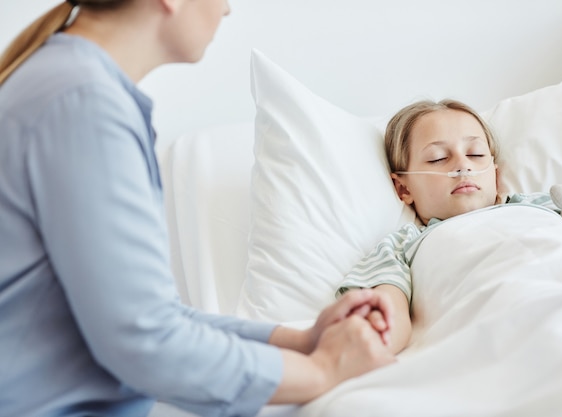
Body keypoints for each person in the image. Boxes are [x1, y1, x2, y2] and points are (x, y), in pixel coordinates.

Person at [0, 1, 396, 416]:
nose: (227, 9)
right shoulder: (84, 104)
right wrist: (323, 370)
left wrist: (298, 341)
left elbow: (151, 319)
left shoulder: (71, 85)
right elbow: (146, 343)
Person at [336, 99, 562, 355]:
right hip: (512, 322)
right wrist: (377, 331)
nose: (463, 166)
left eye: (475, 154)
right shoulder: (401, 246)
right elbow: (388, 314)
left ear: (496, 176)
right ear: (403, 189)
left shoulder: (546, 207)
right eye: (438, 158)